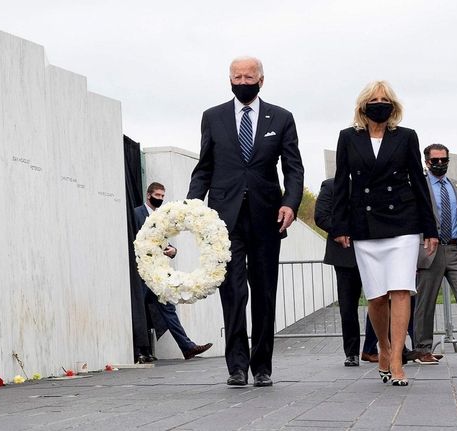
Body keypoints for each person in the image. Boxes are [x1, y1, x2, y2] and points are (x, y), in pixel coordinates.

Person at [186, 56, 304, 387]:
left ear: (261, 80)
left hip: (268, 219)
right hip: (225, 222)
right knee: (234, 293)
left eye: (248, 76)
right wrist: (192, 208)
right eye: (236, 76)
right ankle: (236, 365)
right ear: (229, 80)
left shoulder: (281, 118)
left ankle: (262, 366)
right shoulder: (213, 117)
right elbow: (205, 168)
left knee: (264, 293)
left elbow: (293, 168)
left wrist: (290, 204)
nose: (242, 81)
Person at [331, 80, 438, 386]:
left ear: (394, 105)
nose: (380, 103)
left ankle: (396, 361)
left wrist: (429, 228)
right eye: (374, 99)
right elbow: (342, 183)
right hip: (364, 225)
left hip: (403, 223)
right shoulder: (348, 138)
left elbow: (419, 182)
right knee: (376, 297)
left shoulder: (405, 137)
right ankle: (383, 345)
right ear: (363, 104)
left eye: (385, 99)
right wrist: (340, 226)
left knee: (401, 289)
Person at [131, 182, 213, 364]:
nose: (160, 199)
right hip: (142, 272)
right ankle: (140, 351)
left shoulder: (162, 217)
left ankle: (187, 346)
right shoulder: (137, 214)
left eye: (162, 196)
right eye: (157, 195)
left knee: (168, 307)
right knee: (140, 311)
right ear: (148, 195)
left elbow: (163, 242)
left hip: (158, 274)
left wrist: (173, 251)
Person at [412, 144, 457, 363]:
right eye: (435, 161)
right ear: (426, 162)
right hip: (430, 251)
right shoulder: (418, 185)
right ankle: (422, 350)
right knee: (425, 302)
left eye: (444, 160)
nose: (440, 164)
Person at [315, 178, 367, 366]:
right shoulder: (330, 186)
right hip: (345, 253)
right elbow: (321, 216)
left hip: (374, 252)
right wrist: (340, 231)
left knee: (383, 301)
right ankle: (351, 352)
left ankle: (381, 348)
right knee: (348, 307)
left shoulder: (373, 181)